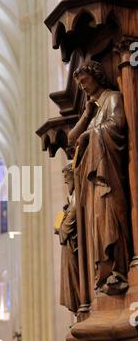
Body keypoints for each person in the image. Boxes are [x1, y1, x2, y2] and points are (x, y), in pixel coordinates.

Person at [68, 61, 130, 296]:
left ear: (96, 77)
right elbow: (73, 139)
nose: (82, 86)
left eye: (84, 81)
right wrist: (86, 115)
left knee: (110, 217)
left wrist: (90, 134)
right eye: (79, 84)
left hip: (108, 176)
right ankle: (104, 271)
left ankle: (119, 268)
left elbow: (117, 124)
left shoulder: (112, 98)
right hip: (94, 181)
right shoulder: (93, 109)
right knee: (98, 225)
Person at [55, 164, 80, 313]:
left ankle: (79, 303)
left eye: (66, 178)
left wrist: (61, 227)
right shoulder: (71, 199)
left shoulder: (76, 197)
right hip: (69, 246)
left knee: (74, 277)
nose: (65, 182)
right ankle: (78, 306)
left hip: (72, 247)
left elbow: (66, 226)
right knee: (70, 278)